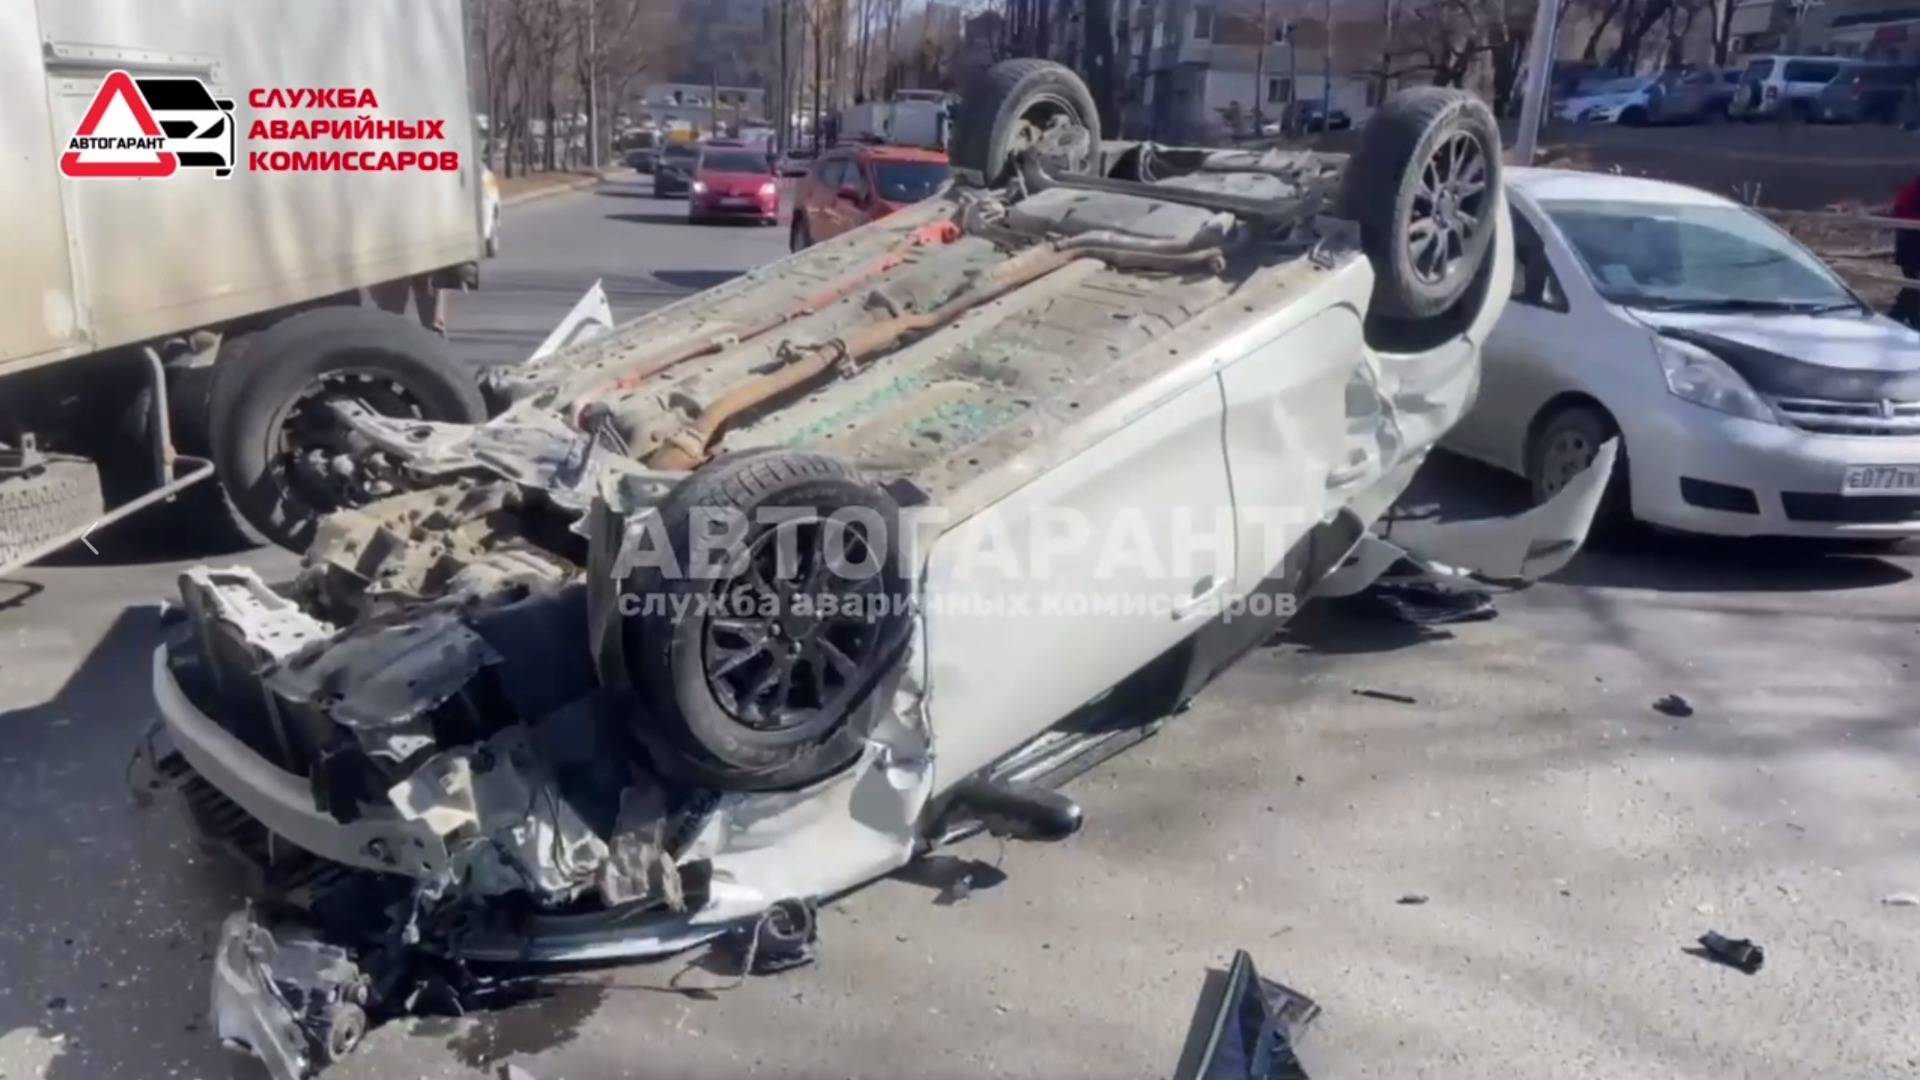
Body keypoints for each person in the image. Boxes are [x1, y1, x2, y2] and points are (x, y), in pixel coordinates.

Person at [1892, 173, 1920, 330]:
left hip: (1911, 245)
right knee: (1913, 285)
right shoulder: (1913, 192)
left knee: (1913, 286)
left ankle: (1908, 319)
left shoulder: (1912, 191)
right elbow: (1901, 212)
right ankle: (1896, 318)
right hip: (1911, 246)